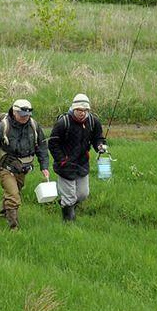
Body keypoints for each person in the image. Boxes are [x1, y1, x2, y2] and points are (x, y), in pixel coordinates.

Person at [0, 99, 50, 230]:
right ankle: (13, 227)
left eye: (27, 115)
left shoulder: (34, 126)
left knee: (15, 191)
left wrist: (44, 166)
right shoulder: (2, 127)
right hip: (6, 167)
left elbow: (42, 147)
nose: (25, 117)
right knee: (14, 196)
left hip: (23, 168)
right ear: (14, 112)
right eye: (22, 115)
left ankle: (3, 214)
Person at [48, 93, 107, 222]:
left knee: (83, 194)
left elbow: (98, 138)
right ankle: (68, 223)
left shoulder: (93, 121)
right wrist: (62, 160)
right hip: (65, 165)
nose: (82, 113)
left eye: (85, 110)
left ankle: (65, 203)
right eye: (79, 110)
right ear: (73, 109)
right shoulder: (63, 122)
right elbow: (52, 143)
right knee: (70, 197)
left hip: (82, 163)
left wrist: (100, 146)